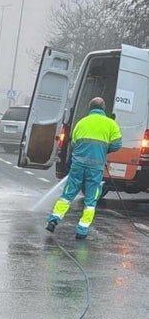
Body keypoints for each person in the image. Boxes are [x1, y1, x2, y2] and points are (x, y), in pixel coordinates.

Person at [45, 96, 122, 239]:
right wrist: (104, 149)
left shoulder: (81, 123)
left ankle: (53, 220)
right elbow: (117, 145)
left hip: (78, 166)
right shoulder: (111, 124)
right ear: (103, 109)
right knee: (90, 201)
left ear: (90, 108)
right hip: (95, 168)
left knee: (67, 196)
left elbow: (74, 143)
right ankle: (82, 230)